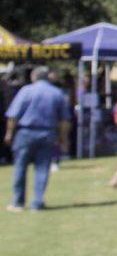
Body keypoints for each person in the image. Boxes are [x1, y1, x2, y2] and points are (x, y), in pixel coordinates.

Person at [5, 67, 71, 212]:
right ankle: (37, 202)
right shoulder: (57, 93)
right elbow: (64, 120)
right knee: (42, 168)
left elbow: (13, 115)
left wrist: (9, 133)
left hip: (26, 132)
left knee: (20, 167)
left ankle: (18, 202)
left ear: (34, 77)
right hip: (47, 133)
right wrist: (63, 139)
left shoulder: (26, 91)